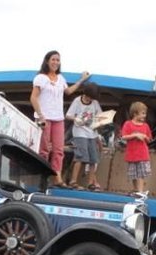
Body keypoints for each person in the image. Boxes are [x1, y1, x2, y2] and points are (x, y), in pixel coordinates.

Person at [29, 50, 89, 187]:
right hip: (45, 118)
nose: (55, 62)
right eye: (53, 59)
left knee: (58, 149)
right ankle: (42, 177)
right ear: (47, 61)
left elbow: (68, 91)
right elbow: (33, 97)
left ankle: (58, 178)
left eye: (58, 60)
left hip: (58, 118)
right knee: (44, 150)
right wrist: (40, 116)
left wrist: (81, 80)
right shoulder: (40, 78)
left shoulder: (61, 78)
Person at [65, 82, 102, 190]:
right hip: (80, 132)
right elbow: (68, 115)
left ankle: (90, 183)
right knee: (80, 156)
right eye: (90, 97)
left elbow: (100, 115)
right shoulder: (77, 101)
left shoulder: (95, 103)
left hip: (92, 133)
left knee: (93, 158)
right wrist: (75, 118)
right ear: (86, 94)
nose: (91, 99)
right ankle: (73, 181)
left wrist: (100, 121)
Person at [121, 101, 152, 194]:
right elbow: (123, 136)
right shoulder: (128, 124)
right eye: (142, 113)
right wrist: (135, 135)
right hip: (132, 153)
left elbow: (149, 139)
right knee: (133, 173)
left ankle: (140, 191)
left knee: (141, 173)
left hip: (142, 153)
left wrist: (145, 137)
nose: (144, 115)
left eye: (145, 113)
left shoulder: (146, 126)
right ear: (135, 113)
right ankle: (135, 189)